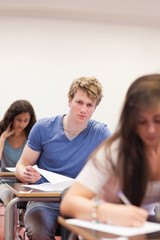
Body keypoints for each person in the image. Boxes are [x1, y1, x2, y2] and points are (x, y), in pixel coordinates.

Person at [15, 76, 111, 240]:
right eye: (79, 102)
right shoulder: (43, 128)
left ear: (95, 108)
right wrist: (25, 173)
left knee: (93, 233)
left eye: (89, 105)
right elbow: (22, 164)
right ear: (69, 101)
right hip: (44, 202)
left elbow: (115, 169)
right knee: (39, 232)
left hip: (81, 202)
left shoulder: (101, 133)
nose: (83, 110)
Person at [60, 74, 160, 228]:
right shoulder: (115, 151)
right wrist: (110, 212)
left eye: (158, 120)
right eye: (142, 121)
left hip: (143, 226)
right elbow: (69, 203)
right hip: (106, 227)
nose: (151, 130)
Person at [0, 99, 36, 205]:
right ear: (11, 118)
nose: (21, 124)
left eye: (26, 121)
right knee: (9, 198)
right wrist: (3, 137)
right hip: (4, 183)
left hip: (25, 183)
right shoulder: (2, 134)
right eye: (18, 119)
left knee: (30, 202)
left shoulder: (31, 136)